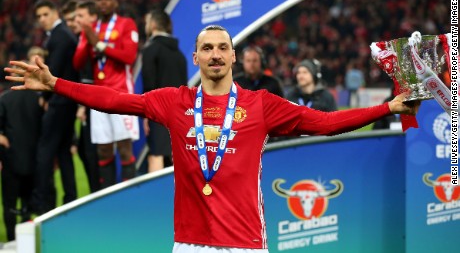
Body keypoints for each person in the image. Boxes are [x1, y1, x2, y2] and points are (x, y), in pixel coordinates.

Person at [5, 25, 419, 252]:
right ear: (197, 56)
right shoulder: (174, 102)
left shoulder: (260, 104)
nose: (216, 54)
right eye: (208, 48)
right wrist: (57, 83)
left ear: (234, 56)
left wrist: (387, 108)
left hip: (245, 245)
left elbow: (325, 122)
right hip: (189, 244)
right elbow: (114, 100)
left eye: (224, 47)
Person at [73, 0, 139, 188]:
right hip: (98, 96)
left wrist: (100, 44)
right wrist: (87, 41)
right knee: (103, 150)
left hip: (121, 93)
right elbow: (78, 63)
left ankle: (132, 198)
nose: (103, 3)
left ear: (115, 2)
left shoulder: (126, 24)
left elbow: (129, 56)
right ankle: (109, 200)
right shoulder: (92, 28)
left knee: (125, 148)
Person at [33, 0, 79, 214]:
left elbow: (54, 71)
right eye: (39, 16)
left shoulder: (59, 37)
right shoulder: (63, 35)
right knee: (63, 152)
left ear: (54, 13)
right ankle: (70, 200)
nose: (42, 20)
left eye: (45, 14)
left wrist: (44, 96)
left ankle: (42, 204)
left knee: (45, 150)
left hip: (59, 101)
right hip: (67, 102)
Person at [0, 48, 45, 241]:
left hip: (11, 160)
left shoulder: (5, 99)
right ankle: (26, 241)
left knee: (9, 204)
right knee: (28, 204)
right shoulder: (39, 101)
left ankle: (10, 241)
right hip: (34, 159)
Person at [142, 8, 187, 172]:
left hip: (157, 109)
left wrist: (146, 114)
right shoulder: (180, 54)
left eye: (147, 22)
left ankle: (155, 196)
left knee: (156, 153)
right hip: (180, 110)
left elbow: (149, 83)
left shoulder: (151, 49)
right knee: (176, 154)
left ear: (153, 24)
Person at [70, 0, 100, 192]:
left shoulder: (99, 37)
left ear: (92, 17)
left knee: (94, 151)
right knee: (86, 150)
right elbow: (77, 63)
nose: (76, 20)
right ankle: (95, 191)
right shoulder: (83, 38)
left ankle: (99, 192)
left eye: (80, 16)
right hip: (88, 99)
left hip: (96, 98)